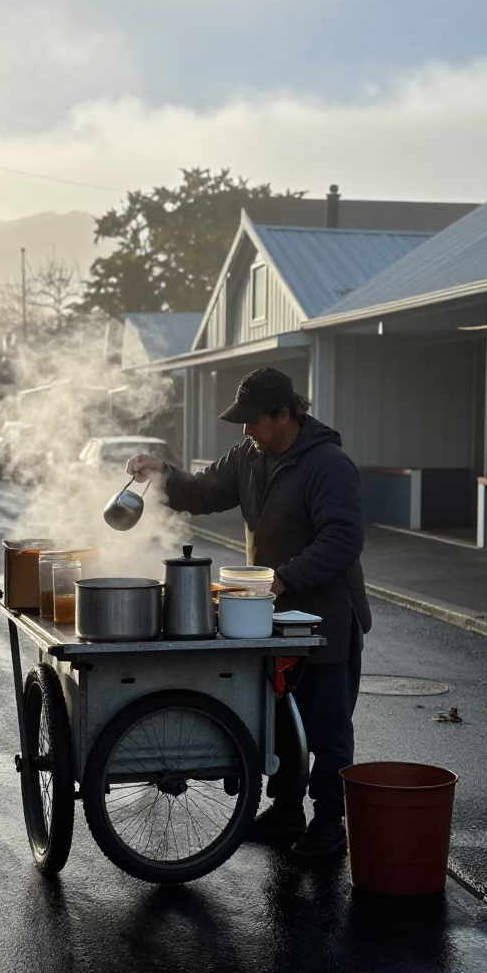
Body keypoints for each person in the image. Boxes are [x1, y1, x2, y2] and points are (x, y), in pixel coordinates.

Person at [126, 366, 370, 859]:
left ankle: (328, 823)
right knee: (279, 717)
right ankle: (285, 811)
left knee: (326, 726)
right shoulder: (249, 457)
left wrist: (285, 577)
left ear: (285, 414)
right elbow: (202, 492)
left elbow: (343, 538)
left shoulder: (328, 464)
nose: (246, 431)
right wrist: (162, 473)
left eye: (254, 420)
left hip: (327, 620)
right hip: (271, 615)